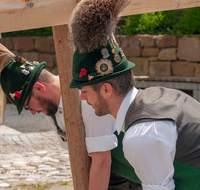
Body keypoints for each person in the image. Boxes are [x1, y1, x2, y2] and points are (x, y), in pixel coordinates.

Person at [69, 0, 200, 190]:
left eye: (85, 91)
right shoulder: (163, 95)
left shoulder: (140, 136)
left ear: (106, 89)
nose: (82, 98)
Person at [0, 43, 137, 190]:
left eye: (28, 106)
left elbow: (102, 161)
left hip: (135, 173)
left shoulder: (86, 99)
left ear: (39, 88)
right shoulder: (49, 107)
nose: (32, 112)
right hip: (107, 173)